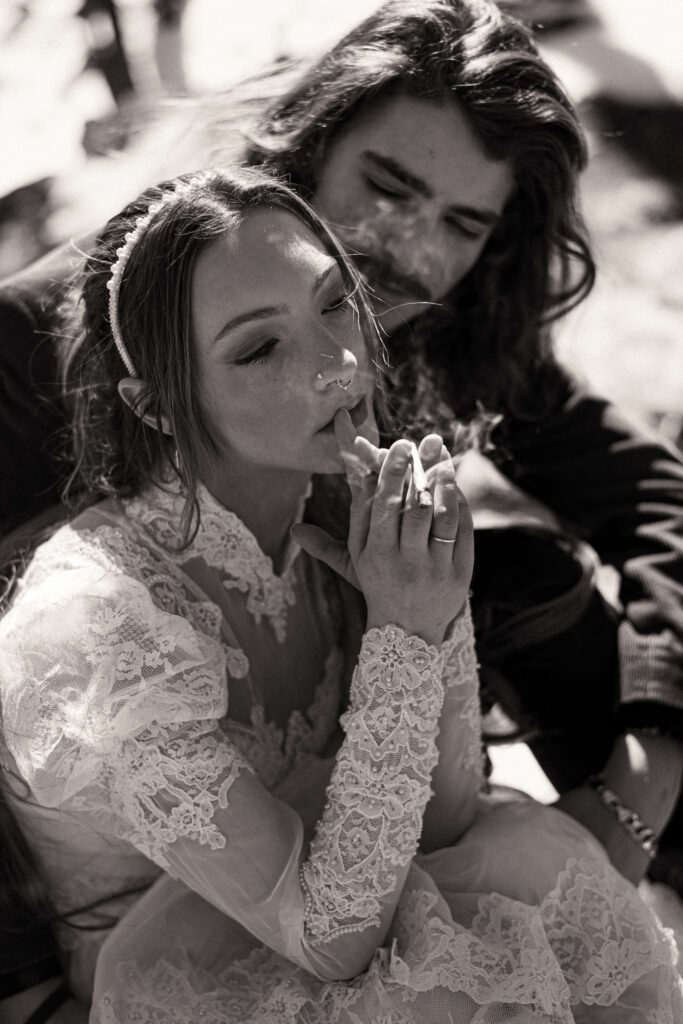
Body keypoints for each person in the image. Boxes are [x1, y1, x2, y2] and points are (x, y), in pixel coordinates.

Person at [1, 0, 682, 894]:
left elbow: (648, 494)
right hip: (140, 868)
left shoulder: (454, 318)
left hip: (386, 798)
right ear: (303, 145)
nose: (409, 245)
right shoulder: (49, 333)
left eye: (462, 224)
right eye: (388, 186)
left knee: (524, 578)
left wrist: (655, 739)